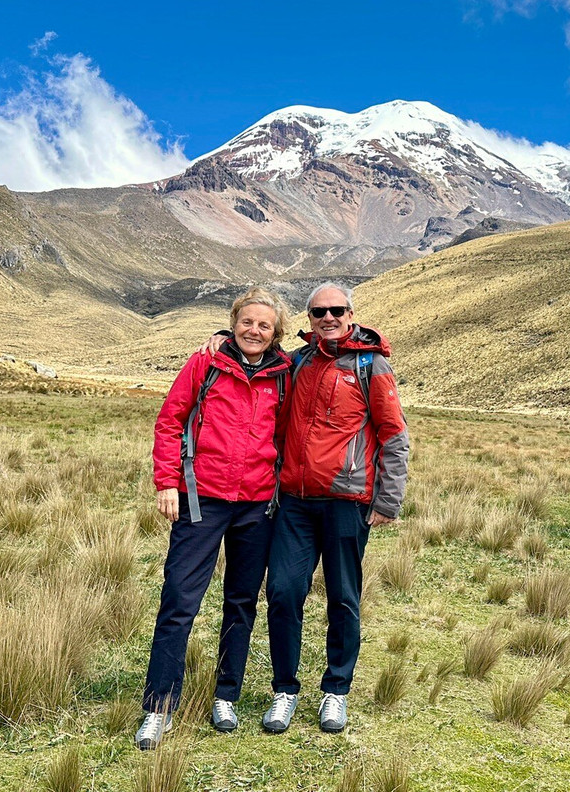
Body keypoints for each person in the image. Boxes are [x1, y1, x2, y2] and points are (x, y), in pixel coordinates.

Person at [135, 287, 292, 750]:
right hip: (201, 501)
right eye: (246, 322)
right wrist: (167, 481)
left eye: (264, 325)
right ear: (233, 322)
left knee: (241, 602)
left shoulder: (285, 374)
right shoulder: (205, 363)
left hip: (257, 505)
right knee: (179, 601)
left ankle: (226, 695)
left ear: (276, 332)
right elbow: (170, 420)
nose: (254, 331)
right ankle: (158, 708)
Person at [255, 282, 409, 734]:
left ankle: (336, 692)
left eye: (336, 310)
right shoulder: (298, 361)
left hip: (347, 502)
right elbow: (252, 352)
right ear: (309, 318)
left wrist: (388, 499)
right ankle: (284, 691)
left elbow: (394, 436)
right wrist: (220, 337)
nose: (328, 317)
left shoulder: (370, 364)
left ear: (351, 312)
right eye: (319, 311)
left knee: (343, 599)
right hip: (296, 502)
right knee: (283, 593)